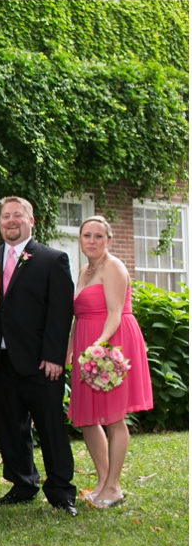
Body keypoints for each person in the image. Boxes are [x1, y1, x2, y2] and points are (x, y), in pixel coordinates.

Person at [0, 196, 77, 515]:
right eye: (5, 216)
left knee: (51, 426)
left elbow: (61, 311)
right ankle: (22, 483)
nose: (10, 220)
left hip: (41, 362)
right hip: (0, 360)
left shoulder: (53, 259)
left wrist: (55, 356)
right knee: (11, 427)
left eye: (17, 215)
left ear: (31, 220)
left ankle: (61, 491)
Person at [67, 216, 153, 509]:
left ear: (109, 240)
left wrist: (99, 346)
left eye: (98, 236)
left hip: (112, 342)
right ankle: (103, 481)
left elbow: (115, 312)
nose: (91, 241)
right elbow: (78, 316)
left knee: (114, 418)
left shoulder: (113, 266)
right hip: (86, 343)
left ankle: (114, 487)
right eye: (86, 236)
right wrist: (71, 349)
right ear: (80, 239)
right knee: (88, 419)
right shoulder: (82, 271)